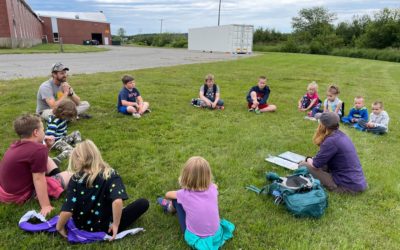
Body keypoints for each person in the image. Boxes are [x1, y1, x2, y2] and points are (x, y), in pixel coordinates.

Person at [56, 140, 149, 240]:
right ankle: (114, 219)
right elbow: (117, 201)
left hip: (82, 226)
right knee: (143, 203)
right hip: (106, 227)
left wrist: (59, 227)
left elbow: (67, 211)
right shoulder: (110, 174)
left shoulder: (75, 179)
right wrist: (116, 225)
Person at [0, 114, 72, 216]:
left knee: (47, 158)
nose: (45, 131)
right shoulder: (38, 149)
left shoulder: (17, 145)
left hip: (5, 192)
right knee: (71, 174)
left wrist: (46, 148)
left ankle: (56, 181)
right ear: (36, 132)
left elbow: (37, 158)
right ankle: (57, 183)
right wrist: (45, 206)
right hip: (19, 196)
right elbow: (38, 179)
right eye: (43, 129)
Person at [156, 156, 235, 249]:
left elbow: (167, 194)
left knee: (176, 200)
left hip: (198, 238)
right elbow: (215, 186)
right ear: (208, 175)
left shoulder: (184, 194)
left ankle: (169, 207)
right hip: (216, 235)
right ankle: (173, 207)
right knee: (187, 203)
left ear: (185, 176)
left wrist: (181, 192)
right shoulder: (213, 188)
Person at [299, 112, 367, 194]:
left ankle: (334, 186)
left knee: (303, 165)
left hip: (347, 186)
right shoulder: (341, 135)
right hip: (358, 182)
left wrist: (308, 159)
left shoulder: (331, 141)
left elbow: (315, 164)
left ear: (323, 126)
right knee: (320, 165)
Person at [45, 99, 82, 166]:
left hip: (62, 138)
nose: (68, 119)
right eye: (68, 116)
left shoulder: (62, 118)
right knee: (70, 150)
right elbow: (49, 137)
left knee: (76, 132)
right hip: (55, 142)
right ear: (62, 113)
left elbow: (64, 131)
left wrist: (65, 139)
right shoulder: (54, 122)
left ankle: (78, 148)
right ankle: (57, 159)